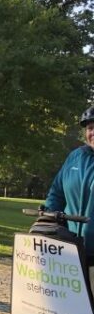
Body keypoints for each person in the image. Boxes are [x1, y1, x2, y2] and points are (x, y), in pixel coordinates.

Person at [44, 106, 94, 263]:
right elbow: (56, 193)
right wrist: (49, 219)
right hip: (69, 250)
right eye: (90, 128)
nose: (93, 133)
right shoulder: (75, 157)